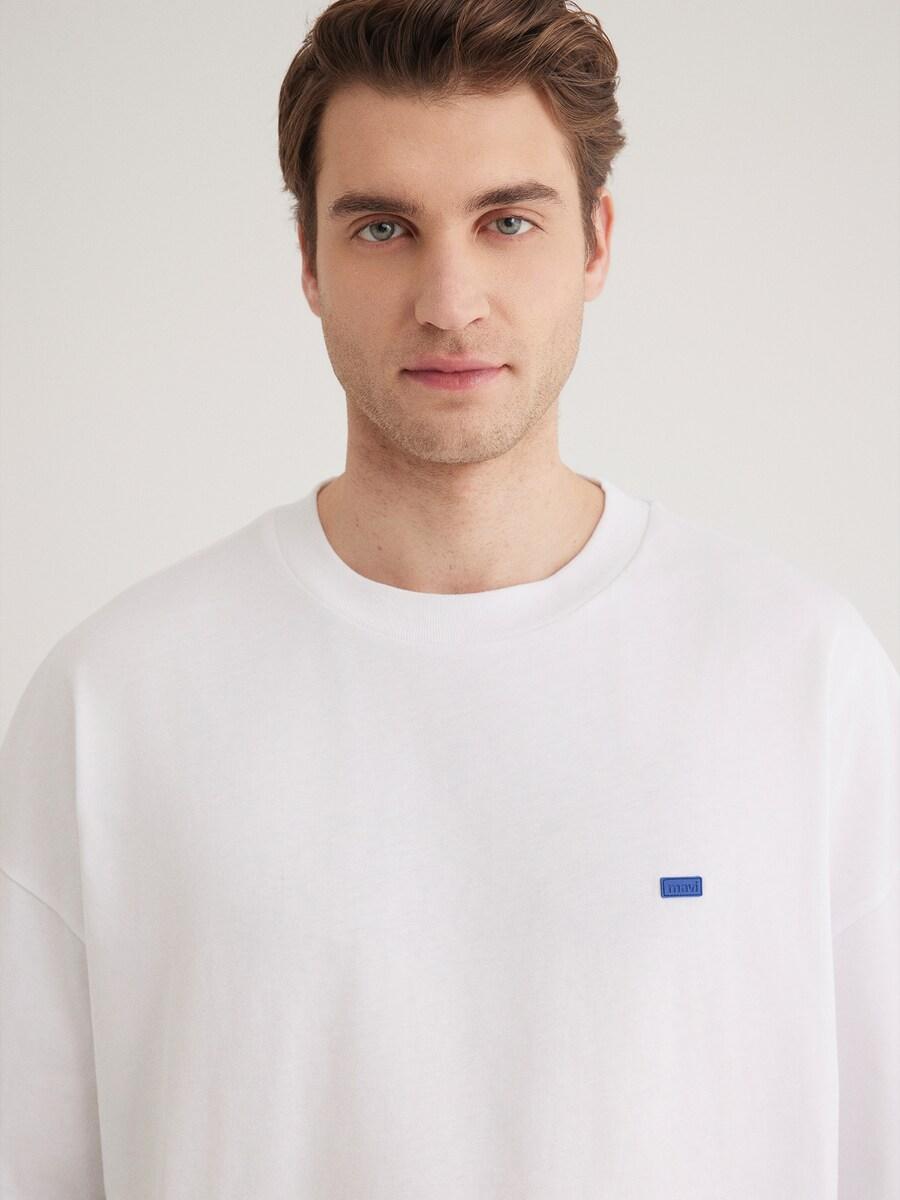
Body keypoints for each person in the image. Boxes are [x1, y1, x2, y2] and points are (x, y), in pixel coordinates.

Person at [2, 0, 898, 1195]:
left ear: (595, 242)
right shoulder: (114, 703)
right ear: (309, 262)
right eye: (383, 227)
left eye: (507, 220)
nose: (449, 298)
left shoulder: (797, 674)